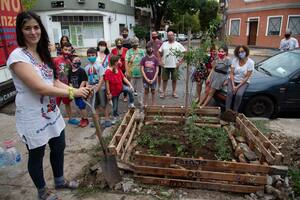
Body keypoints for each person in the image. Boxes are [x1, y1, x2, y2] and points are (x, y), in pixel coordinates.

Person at [7, 11, 90, 200]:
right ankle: (42, 192)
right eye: (27, 28)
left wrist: (75, 89)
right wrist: (73, 92)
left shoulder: (42, 53)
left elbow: (53, 82)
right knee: (36, 154)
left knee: (59, 145)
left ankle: (60, 181)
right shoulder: (17, 57)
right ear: (20, 31)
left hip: (50, 110)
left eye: (36, 27)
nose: (33, 32)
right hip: (32, 113)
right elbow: (40, 87)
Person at [53, 42, 79, 125]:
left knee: (68, 103)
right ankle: (53, 120)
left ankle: (70, 118)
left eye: (69, 50)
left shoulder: (69, 61)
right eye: (65, 49)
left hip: (67, 86)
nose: (67, 51)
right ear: (61, 49)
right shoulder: (56, 60)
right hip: (56, 86)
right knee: (55, 104)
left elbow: (73, 72)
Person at [105, 55, 135, 123]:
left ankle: (131, 103)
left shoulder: (118, 69)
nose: (120, 62)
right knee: (114, 107)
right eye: (119, 60)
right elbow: (107, 83)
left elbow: (123, 78)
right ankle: (115, 117)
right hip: (114, 92)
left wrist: (130, 85)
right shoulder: (108, 71)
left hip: (121, 87)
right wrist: (108, 93)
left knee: (129, 90)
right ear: (115, 62)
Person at [226, 45, 254, 112]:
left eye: (242, 51)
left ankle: (235, 112)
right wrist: (233, 85)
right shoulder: (235, 60)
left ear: (246, 51)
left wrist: (237, 87)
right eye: (239, 52)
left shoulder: (250, 62)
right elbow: (231, 73)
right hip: (233, 79)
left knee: (239, 94)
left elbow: (247, 77)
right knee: (230, 93)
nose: (241, 53)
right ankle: (227, 111)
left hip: (243, 81)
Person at [158, 31, 186, 98]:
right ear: (167, 36)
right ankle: (163, 93)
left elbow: (185, 52)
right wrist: (160, 61)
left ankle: (174, 92)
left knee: (174, 80)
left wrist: (180, 62)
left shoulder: (178, 44)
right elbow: (159, 52)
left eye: (171, 35)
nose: (170, 36)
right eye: (168, 35)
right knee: (164, 80)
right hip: (165, 65)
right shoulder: (164, 44)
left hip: (175, 65)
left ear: (174, 36)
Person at [84, 47, 105, 125]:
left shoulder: (99, 66)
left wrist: (97, 89)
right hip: (91, 89)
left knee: (102, 104)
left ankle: (105, 119)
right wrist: (88, 88)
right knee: (94, 105)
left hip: (99, 89)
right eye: (89, 55)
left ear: (96, 56)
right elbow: (87, 80)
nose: (91, 57)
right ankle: (97, 121)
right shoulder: (86, 68)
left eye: (92, 55)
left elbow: (102, 78)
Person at [69, 55, 89, 127]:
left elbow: (84, 81)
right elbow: (70, 82)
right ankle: (82, 118)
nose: (78, 62)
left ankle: (86, 119)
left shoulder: (81, 70)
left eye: (79, 61)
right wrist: (72, 93)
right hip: (75, 92)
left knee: (82, 106)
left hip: (81, 92)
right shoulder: (70, 71)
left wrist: (79, 90)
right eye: (75, 61)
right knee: (78, 106)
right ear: (71, 62)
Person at [125, 37, 145, 106]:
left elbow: (144, 61)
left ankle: (140, 101)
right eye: (133, 44)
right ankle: (131, 102)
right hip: (131, 73)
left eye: (136, 44)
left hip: (140, 72)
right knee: (131, 89)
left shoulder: (142, 51)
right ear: (131, 44)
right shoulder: (129, 51)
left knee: (140, 89)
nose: (135, 45)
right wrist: (127, 71)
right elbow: (126, 62)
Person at [96, 40, 112, 127]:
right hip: (96, 80)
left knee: (106, 100)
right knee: (96, 101)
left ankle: (107, 119)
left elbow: (109, 66)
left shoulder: (108, 56)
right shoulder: (95, 54)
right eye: (101, 45)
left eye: (104, 45)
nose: (102, 46)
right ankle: (97, 120)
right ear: (98, 46)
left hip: (105, 80)